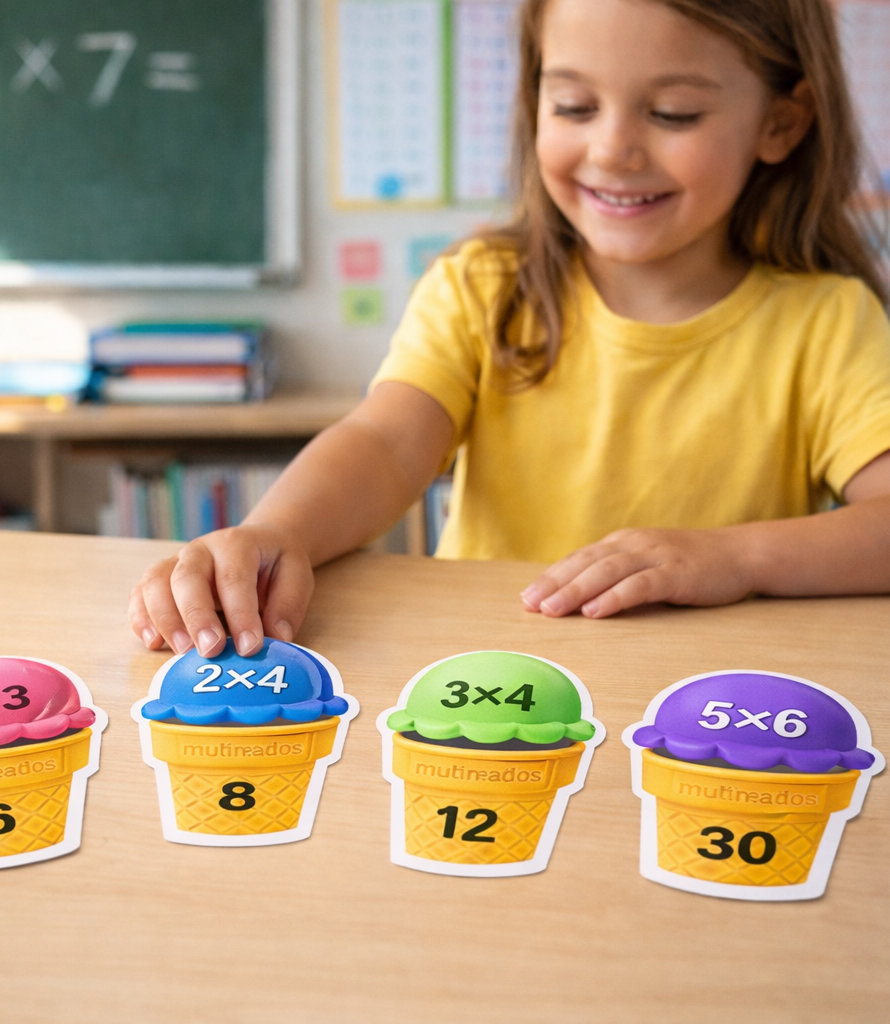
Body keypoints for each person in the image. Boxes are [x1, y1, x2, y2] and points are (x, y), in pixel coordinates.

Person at [131, 0, 890, 659]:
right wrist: (278, 533)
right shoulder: (481, 287)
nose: (611, 150)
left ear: (782, 124)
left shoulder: (827, 320)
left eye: (672, 114)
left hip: (699, 702)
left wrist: (737, 558)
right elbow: (386, 444)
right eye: (573, 106)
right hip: (487, 689)